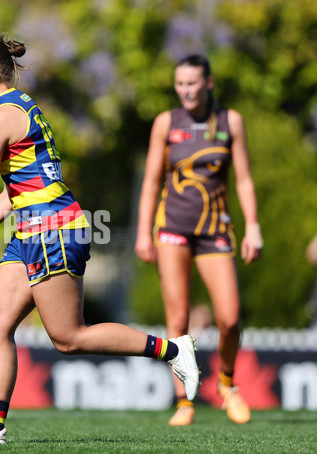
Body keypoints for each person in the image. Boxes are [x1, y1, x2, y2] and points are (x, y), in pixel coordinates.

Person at [0, 36, 200, 445]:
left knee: (69, 337)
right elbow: (14, 188)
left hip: (53, 228)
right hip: (30, 229)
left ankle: (174, 351)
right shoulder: (23, 106)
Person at [135, 54, 263, 426]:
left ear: (208, 83)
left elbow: (243, 180)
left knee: (230, 318)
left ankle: (226, 384)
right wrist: (144, 231)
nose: (185, 90)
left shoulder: (230, 121)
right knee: (178, 318)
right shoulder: (165, 123)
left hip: (215, 230)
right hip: (171, 227)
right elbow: (150, 183)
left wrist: (252, 225)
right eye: (180, 84)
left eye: (192, 83)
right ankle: (184, 401)